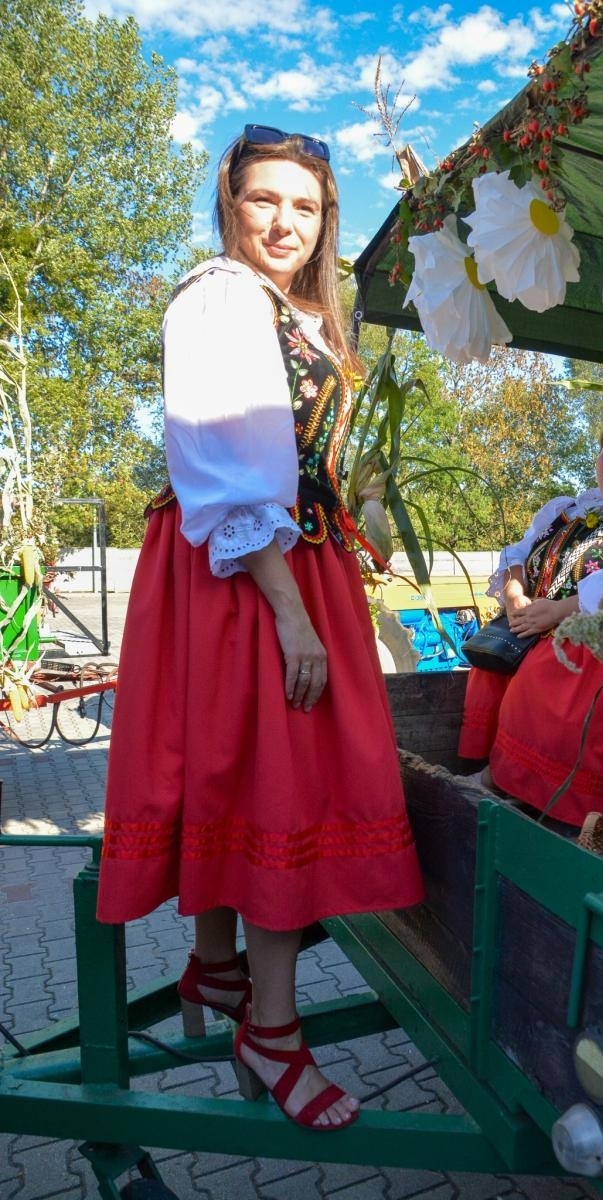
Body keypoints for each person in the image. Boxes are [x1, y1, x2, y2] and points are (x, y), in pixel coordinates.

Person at [96, 124, 424, 1130]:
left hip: (279, 563)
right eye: (262, 200)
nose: (283, 221)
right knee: (283, 785)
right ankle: (271, 1031)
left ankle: (219, 972)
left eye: (305, 205)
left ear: (327, 220)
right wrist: (292, 614)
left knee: (239, 770)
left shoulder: (298, 313)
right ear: (229, 203)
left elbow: (283, 462)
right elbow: (229, 471)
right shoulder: (223, 295)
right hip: (248, 578)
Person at [458, 414, 603, 835]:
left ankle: (510, 784)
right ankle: (503, 777)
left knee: (545, 669)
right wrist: (514, 594)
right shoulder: (567, 509)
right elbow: (516, 554)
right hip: (538, 625)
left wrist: (560, 612)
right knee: (492, 658)